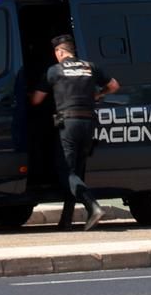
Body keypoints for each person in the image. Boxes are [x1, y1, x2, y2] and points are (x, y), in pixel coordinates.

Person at [28, 34, 120, 231]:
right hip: (88, 123)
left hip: (68, 124)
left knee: (65, 171)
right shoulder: (90, 67)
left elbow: (36, 100)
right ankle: (66, 220)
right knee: (76, 173)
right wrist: (98, 94)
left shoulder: (55, 70)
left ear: (60, 52)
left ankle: (93, 206)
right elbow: (114, 85)